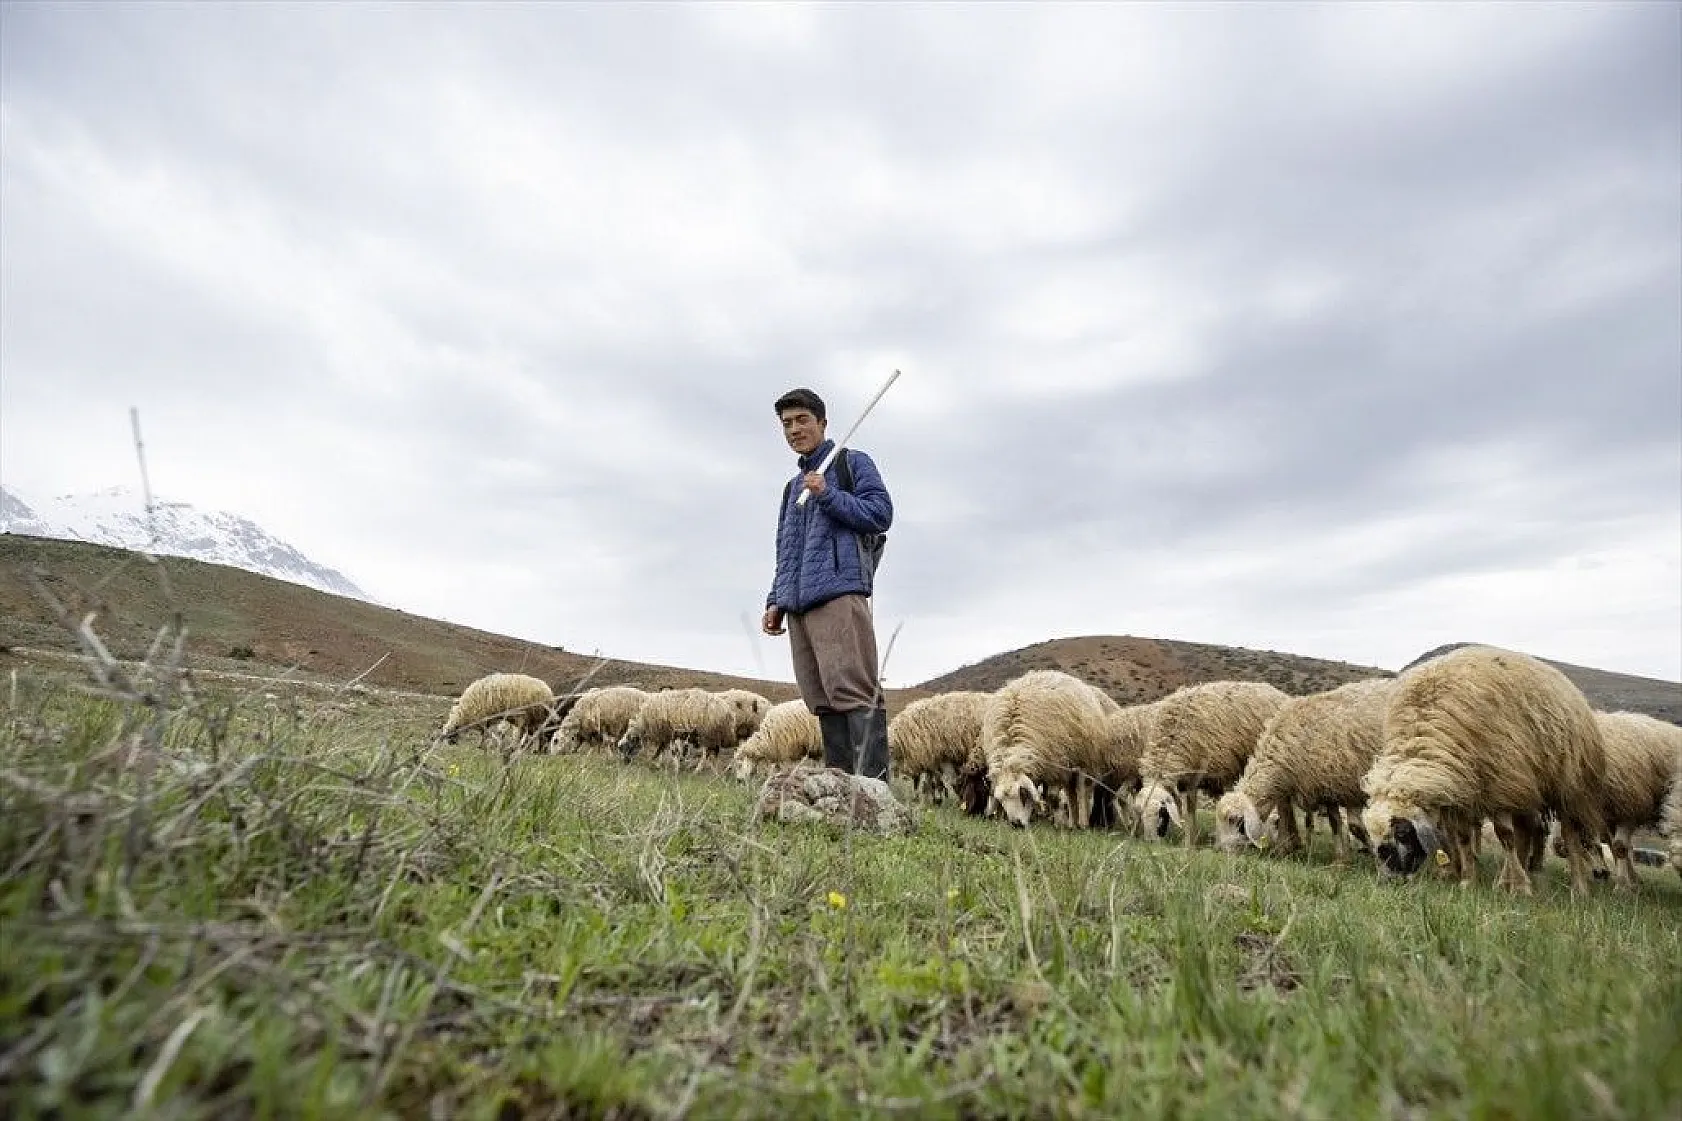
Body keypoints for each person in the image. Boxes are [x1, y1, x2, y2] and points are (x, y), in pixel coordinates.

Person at [762, 387, 895, 780]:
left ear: (822, 422)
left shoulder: (850, 464)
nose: (794, 429)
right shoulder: (792, 487)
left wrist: (828, 494)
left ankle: (874, 791)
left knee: (853, 688)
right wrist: (776, 598)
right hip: (798, 604)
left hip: (839, 590)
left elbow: (880, 513)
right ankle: (841, 788)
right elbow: (786, 549)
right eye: (787, 424)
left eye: (802, 420)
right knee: (820, 697)